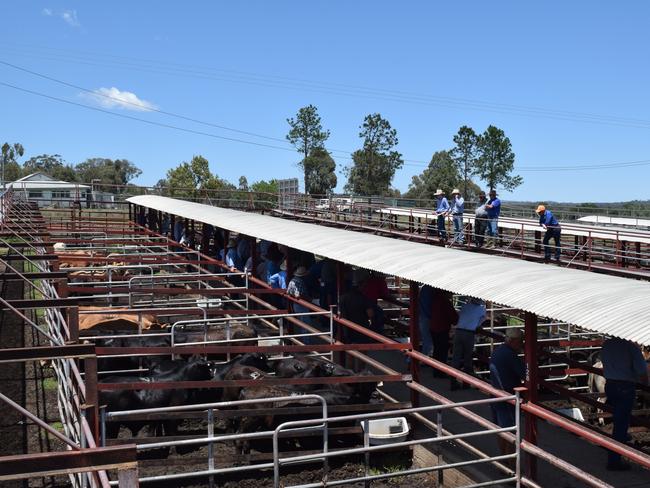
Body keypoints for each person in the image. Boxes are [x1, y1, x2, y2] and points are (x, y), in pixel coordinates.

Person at [601, 337, 649, 471]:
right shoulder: (632, 348)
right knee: (621, 423)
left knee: (619, 418)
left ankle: (621, 440)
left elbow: (604, 363)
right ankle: (614, 460)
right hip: (625, 387)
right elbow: (642, 371)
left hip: (610, 385)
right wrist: (646, 384)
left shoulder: (607, 344)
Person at [490, 328, 525, 457]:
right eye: (520, 342)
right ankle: (510, 463)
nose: (521, 345)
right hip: (507, 397)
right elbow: (524, 374)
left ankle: (503, 459)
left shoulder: (498, 351)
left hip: (495, 395)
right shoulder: (511, 355)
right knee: (510, 432)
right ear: (514, 341)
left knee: (501, 430)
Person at [450, 298, 486, 390]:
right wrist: (477, 325)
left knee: (456, 357)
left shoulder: (465, 306)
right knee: (467, 358)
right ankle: (466, 383)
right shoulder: (481, 309)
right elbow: (482, 319)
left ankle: (453, 381)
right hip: (469, 333)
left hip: (459, 331)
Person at [339, 270, 374, 343]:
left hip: (347, 328)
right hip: (361, 328)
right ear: (362, 283)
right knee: (362, 348)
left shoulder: (344, 297)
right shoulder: (364, 298)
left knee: (350, 348)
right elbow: (370, 314)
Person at [287, 266, 319, 343]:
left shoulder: (292, 280)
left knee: (302, 323)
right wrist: (311, 300)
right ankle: (306, 343)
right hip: (301, 305)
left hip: (295, 304)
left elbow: (288, 292)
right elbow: (300, 295)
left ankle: (304, 342)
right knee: (305, 324)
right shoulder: (300, 282)